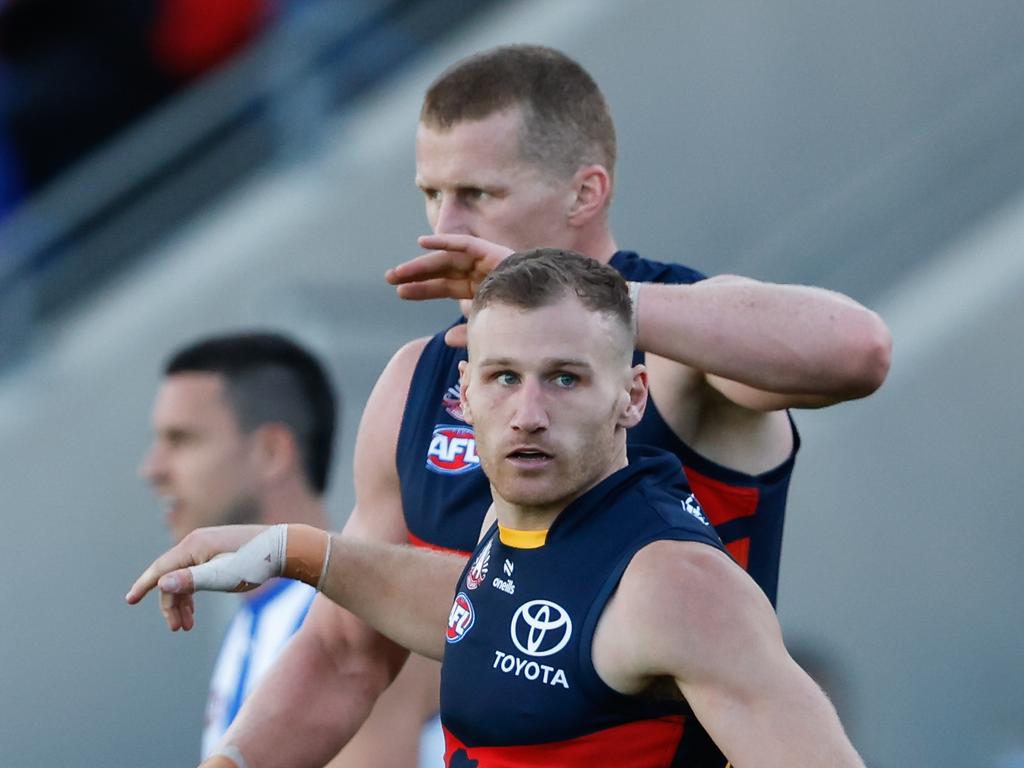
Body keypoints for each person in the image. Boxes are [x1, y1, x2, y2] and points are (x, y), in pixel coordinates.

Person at [137, 45, 890, 768]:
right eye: (432, 193)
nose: (446, 228)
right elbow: (359, 647)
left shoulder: (682, 343)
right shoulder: (417, 380)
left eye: (478, 195)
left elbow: (859, 351)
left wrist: (582, 307)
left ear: (584, 193)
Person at [129, 249, 868, 767]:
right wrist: (292, 550)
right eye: (504, 378)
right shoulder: (517, 528)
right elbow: (484, 615)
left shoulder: (676, 584)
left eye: (566, 379)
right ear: (466, 395)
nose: (529, 412)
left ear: (631, 399)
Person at [138, 331, 337, 761]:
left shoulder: (344, 624)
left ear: (270, 452)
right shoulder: (260, 617)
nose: (151, 469)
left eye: (181, 440)